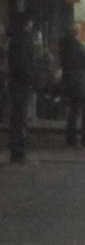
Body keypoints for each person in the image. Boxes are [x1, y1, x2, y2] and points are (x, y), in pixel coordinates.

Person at [58, 24, 85, 149]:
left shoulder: (62, 45)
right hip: (79, 81)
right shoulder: (77, 45)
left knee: (73, 111)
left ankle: (71, 140)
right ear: (76, 33)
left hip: (67, 81)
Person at [7, 13, 35, 164]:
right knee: (20, 119)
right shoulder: (23, 40)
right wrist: (32, 78)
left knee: (17, 118)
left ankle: (17, 152)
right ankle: (19, 153)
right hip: (22, 85)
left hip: (15, 84)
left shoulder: (14, 40)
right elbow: (24, 64)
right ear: (26, 24)